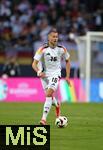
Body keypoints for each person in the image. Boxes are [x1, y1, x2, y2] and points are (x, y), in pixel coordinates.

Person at [32, 28, 71, 125]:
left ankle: (43, 119)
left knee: (48, 95)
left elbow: (67, 61)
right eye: (53, 37)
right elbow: (34, 64)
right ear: (49, 38)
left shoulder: (62, 49)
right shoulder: (42, 49)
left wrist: (67, 76)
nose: (55, 39)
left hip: (55, 74)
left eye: (57, 37)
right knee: (49, 96)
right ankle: (57, 105)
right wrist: (38, 72)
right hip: (44, 76)